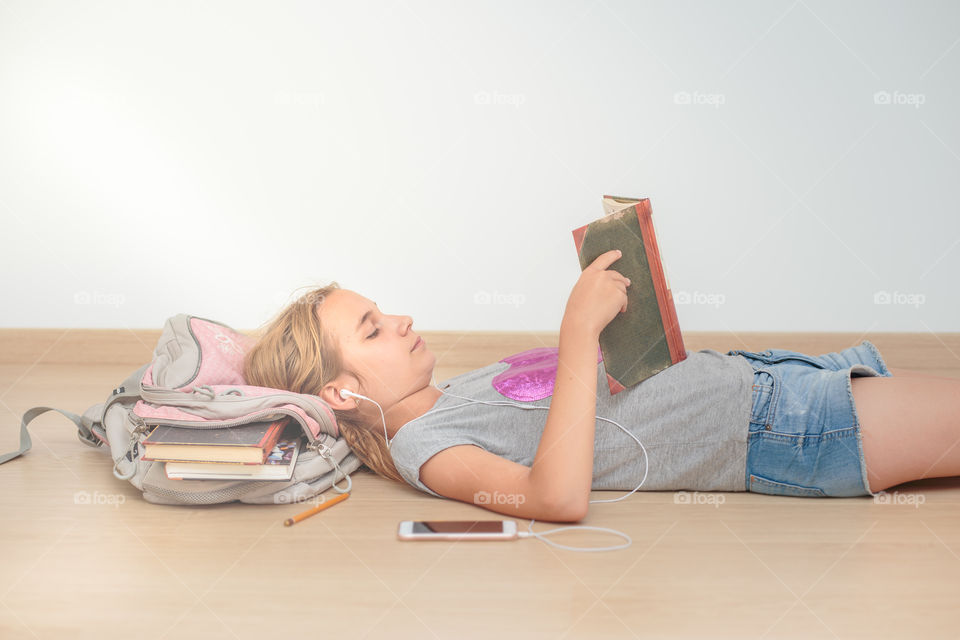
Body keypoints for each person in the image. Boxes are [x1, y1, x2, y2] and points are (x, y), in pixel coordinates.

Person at [242, 250, 960, 522]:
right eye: (371, 330)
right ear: (339, 392)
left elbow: (600, 400)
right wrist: (576, 332)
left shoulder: (456, 396)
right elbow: (554, 499)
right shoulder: (424, 445)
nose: (398, 320)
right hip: (776, 428)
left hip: (771, 379)